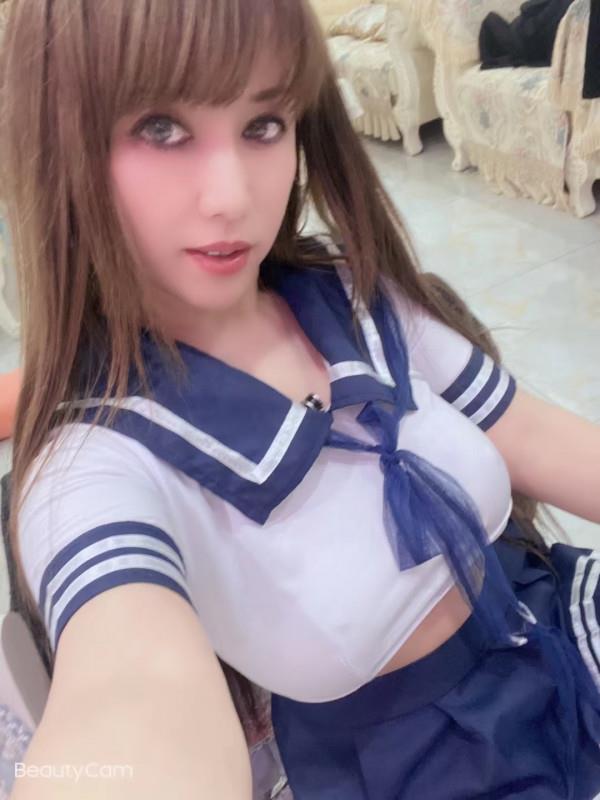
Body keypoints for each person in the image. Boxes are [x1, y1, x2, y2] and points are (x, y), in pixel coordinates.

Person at [1, 1, 600, 798]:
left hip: (556, 634)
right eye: (160, 128)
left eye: (263, 125)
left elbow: (532, 432)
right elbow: (128, 691)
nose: (232, 196)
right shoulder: (92, 465)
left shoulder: (351, 295)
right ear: (60, 144)